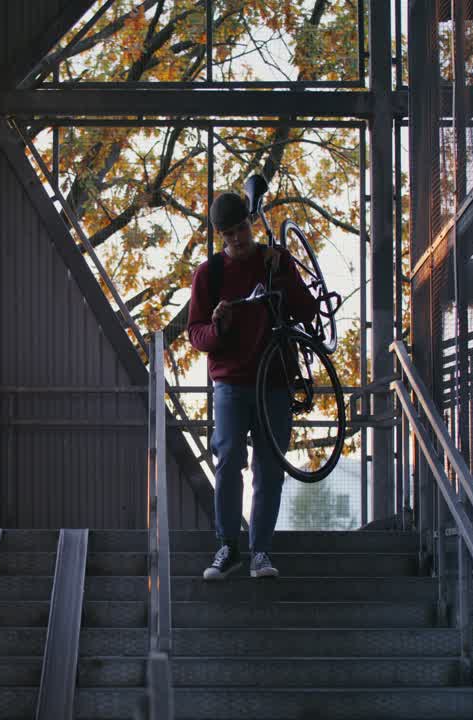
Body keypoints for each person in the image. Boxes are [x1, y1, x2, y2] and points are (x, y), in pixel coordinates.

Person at [187, 190, 318, 580]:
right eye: (230, 234)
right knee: (228, 460)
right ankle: (228, 545)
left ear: (252, 222)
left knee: (271, 467)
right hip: (230, 383)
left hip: (274, 382)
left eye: (242, 229)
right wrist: (219, 326)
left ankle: (261, 549)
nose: (239, 239)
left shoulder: (274, 261)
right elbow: (197, 334)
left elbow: (308, 311)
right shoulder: (208, 274)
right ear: (220, 236)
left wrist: (282, 274)